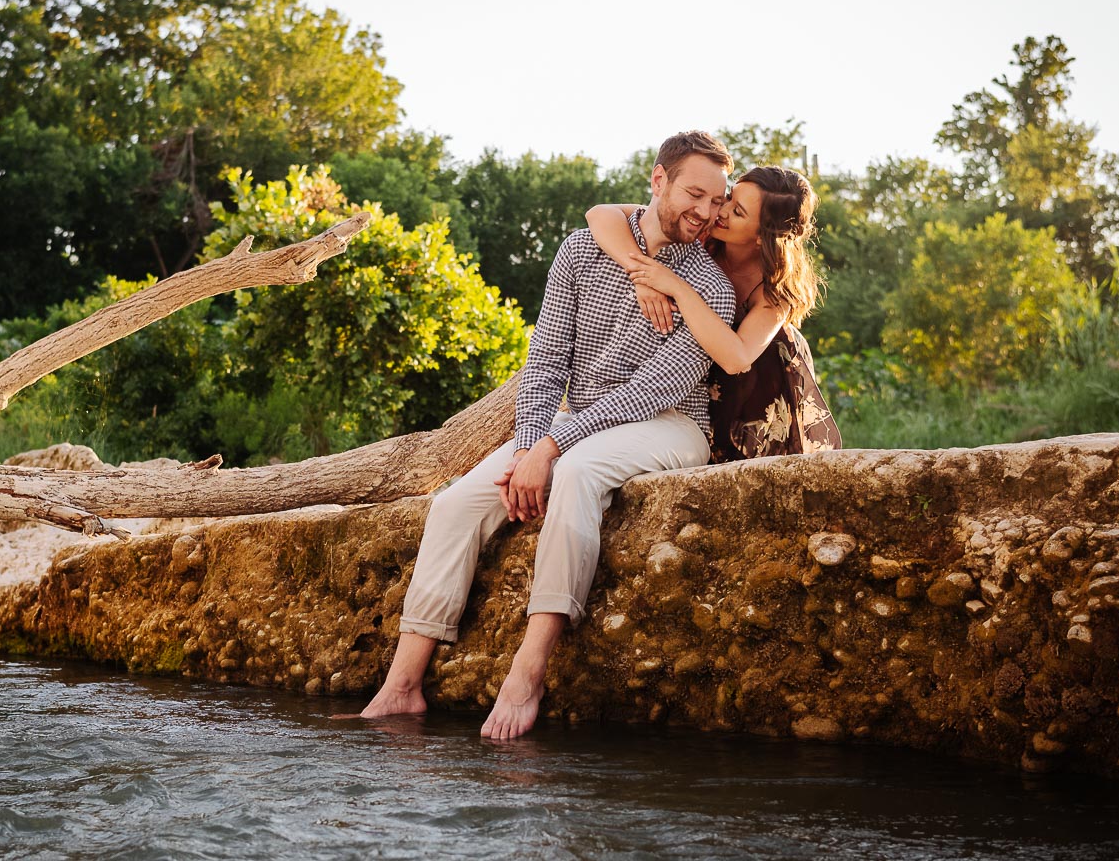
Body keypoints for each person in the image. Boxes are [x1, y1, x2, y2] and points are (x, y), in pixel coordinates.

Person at [360, 130, 737, 738]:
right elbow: (544, 365)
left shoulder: (709, 287)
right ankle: (402, 685)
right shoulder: (582, 250)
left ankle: (528, 672)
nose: (706, 212)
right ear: (658, 180)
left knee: (578, 476)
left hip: (670, 425)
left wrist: (552, 452)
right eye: (696, 193)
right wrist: (535, 442)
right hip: (577, 422)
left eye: (717, 201)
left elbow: (656, 390)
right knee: (456, 503)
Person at [585, 166, 841, 462]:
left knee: (777, 341)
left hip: (755, 382)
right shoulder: (699, 227)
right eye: (730, 197)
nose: (721, 211)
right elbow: (600, 214)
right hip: (685, 366)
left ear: (762, 236)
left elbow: (737, 358)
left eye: (739, 212)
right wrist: (641, 273)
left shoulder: (774, 291)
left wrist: (678, 288)